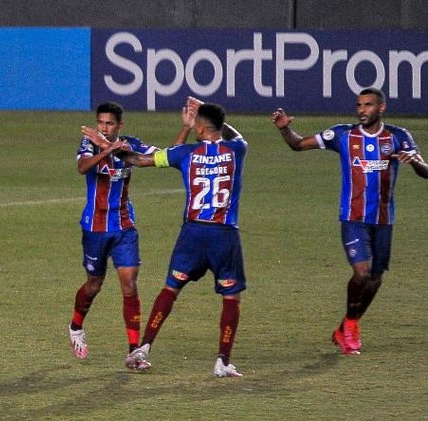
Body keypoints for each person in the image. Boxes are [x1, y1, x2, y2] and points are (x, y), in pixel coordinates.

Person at [271, 87, 428, 355]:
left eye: (367, 105)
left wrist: (414, 161)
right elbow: (298, 144)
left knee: (376, 278)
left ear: (381, 108)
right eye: (359, 105)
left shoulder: (399, 137)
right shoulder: (343, 134)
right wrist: (285, 129)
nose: (361, 110)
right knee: (362, 273)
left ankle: (347, 325)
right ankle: (351, 327)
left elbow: (426, 172)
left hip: (383, 220)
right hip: (353, 218)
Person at [122, 100, 248, 377]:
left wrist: (113, 149)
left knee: (170, 290)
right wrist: (208, 114)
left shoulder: (186, 154)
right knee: (231, 297)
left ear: (200, 128)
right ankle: (223, 362)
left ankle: (144, 346)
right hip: (224, 235)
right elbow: (236, 136)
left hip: (192, 234)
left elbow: (141, 161)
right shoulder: (236, 150)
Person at [69, 101, 158, 370]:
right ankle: (76, 328)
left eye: (109, 123)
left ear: (120, 125)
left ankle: (134, 353)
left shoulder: (130, 143)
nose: (104, 128)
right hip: (95, 228)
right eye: (101, 123)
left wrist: (186, 129)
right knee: (94, 285)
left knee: (129, 285)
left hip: (123, 226)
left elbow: (164, 156)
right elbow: (83, 167)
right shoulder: (89, 144)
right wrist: (107, 148)